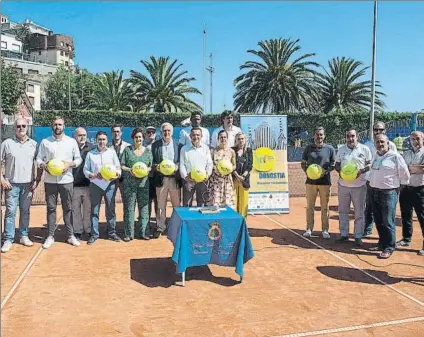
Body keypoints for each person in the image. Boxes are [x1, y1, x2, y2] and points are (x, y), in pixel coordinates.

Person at [36, 116, 82, 249]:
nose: (57, 127)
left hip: (66, 180)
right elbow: (39, 159)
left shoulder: (71, 142)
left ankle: (70, 235)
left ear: (64, 126)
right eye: (55, 124)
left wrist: (70, 164)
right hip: (50, 181)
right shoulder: (45, 142)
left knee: (68, 208)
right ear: (52, 126)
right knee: (51, 209)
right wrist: (44, 166)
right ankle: (50, 236)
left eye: (60, 124)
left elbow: (78, 159)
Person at [1, 118, 43, 253]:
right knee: (10, 212)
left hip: (28, 185)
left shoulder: (34, 145)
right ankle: (8, 239)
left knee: (25, 212)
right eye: (18, 126)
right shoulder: (7, 143)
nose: (21, 128)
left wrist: (37, 179)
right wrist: (2, 179)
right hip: (11, 185)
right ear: (14, 128)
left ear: (27, 127)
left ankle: (23, 235)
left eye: (23, 126)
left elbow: (40, 163)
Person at [368, 134, 410, 259]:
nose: (379, 144)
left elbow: (405, 176)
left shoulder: (395, 157)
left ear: (387, 143)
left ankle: (389, 247)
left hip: (388, 193)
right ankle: (382, 243)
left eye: (382, 142)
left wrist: (396, 189)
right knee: (378, 220)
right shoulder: (376, 156)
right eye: (377, 142)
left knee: (388, 221)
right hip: (374, 191)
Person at [335, 128, 372, 247]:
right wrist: (341, 172)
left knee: (359, 212)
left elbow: (369, 165)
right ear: (346, 137)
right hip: (343, 185)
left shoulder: (364, 149)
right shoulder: (341, 150)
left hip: (360, 185)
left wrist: (360, 171)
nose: (350, 139)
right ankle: (344, 234)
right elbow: (337, 165)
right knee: (343, 211)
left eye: (353, 136)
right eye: (348, 136)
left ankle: (358, 236)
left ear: (357, 137)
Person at [84, 131, 122, 244]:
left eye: (104, 139)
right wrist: (94, 175)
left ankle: (112, 233)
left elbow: (118, 168)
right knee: (94, 211)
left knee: (110, 210)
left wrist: (116, 175)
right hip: (95, 185)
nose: (102, 142)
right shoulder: (90, 154)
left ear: (107, 140)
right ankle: (94, 234)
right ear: (96, 141)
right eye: (99, 139)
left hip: (110, 185)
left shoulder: (112, 152)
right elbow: (85, 170)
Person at [363, 121, 398, 237]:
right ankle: (367, 229)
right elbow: (366, 163)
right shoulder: (367, 145)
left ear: (385, 130)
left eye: (381, 130)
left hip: (387, 185)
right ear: (372, 131)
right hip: (370, 182)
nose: (378, 132)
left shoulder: (391, 145)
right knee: (369, 208)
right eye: (376, 130)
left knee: (387, 213)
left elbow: (397, 165)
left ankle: (387, 239)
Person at [301, 127, 336, 239]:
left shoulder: (330, 149)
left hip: (325, 183)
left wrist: (324, 172)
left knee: (324, 207)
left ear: (324, 136)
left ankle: (325, 230)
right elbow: (303, 163)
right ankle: (309, 229)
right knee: (310, 207)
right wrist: (307, 172)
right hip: (310, 183)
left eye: (321, 134)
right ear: (314, 136)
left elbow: (333, 164)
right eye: (317, 134)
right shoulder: (308, 148)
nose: (319, 137)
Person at [120, 127, 153, 241]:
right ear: (133, 138)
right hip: (130, 184)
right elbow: (122, 165)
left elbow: (150, 166)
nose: (138, 139)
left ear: (143, 138)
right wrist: (130, 170)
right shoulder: (127, 150)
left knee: (144, 208)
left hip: (144, 184)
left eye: (140, 137)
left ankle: (144, 232)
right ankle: (129, 234)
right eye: (136, 137)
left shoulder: (148, 151)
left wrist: (146, 170)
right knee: (129, 208)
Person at [151, 123, 182, 238]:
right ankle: (160, 226)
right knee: (160, 204)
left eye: (169, 131)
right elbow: (152, 162)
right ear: (161, 132)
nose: (167, 133)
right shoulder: (155, 146)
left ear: (172, 132)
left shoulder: (178, 146)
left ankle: (176, 225)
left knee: (176, 204)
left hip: (174, 179)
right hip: (161, 179)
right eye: (164, 131)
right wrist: (157, 166)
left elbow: (180, 161)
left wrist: (176, 167)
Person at [397, 131, 424, 256]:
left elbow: (422, 169)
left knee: (422, 217)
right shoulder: (406, 153)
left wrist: (410, 168)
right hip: (406, 188)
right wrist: (414, 168)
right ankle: (406, 239)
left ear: (422, 139)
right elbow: (402, 169)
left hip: (420, 189)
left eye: (417, 138)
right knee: (406, 215)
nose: (415, 141)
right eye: (413, 139)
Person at [180, 127, 213, 206]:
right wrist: (186, 177)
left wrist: (207, 175)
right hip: (188, 180)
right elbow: (182, 164)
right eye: (193, 135)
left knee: (201, 203)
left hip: (202, 180)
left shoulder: (206, 148)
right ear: (190, 136)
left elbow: (209, 164)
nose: (196, 137)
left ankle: (201, 219)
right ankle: (187, 218)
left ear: (201, 136)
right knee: (187, 204)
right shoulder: (184, 149)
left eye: (198, 135)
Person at [72, 127, 94, 241]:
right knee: (75, 210)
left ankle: (88, 230)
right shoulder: (70, 147)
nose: (82, 137)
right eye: (80, 135)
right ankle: (77, 231)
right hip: (73, 186)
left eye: (84, 135)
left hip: (88, 185)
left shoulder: (91, 148)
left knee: (87, 210)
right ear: (75, 136)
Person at [208, 130, 236, 208]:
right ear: (218, 139)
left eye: (225, 137)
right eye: (221, 137)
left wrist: (228, 169)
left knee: (228, 204)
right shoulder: (213, 151)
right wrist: (218, 169)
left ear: (227, 138)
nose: (223, 139)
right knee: (215, 203)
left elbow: (234, 165)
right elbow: (210, 165)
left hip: (227, 181)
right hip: (216, 181)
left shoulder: (232, 151)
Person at [232, 132, 253, 217]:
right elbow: (231, 165)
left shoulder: (249, 151)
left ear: (245, 140)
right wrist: (237, 176)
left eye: (242, 139)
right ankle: (234, 224)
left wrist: (243, 176)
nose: (241, 141)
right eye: (239, 139)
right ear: (236, 140)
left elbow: (250, 166)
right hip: (234, 179)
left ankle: (243, 224)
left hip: (244, 181)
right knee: (234, 203)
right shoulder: (232, 150)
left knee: (243, 204)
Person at [143, 126, 159, 229]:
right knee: (146, 202)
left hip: (157, 177)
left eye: (153, 132)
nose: (151, 133)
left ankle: (158, 223)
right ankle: (146, 223)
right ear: (145, 134)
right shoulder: (141, 145)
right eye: (148, 132)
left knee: (158, 201)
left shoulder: (159, 145)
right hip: (146, 178)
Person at [110, 125, 130, 198]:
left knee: (126, 201)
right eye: (114, 131)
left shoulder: (128, 146)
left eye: (118, 131)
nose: (116, 133)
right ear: (111, 133)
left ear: (121, 133)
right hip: (111, 179)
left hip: (124, 179)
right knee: (110, 203)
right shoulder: (106, 146)